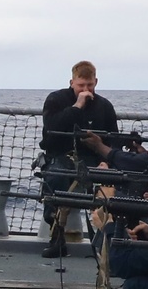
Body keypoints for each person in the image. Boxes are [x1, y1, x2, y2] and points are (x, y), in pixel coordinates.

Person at [39, 61, 118, 257]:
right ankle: (57, 237)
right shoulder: (56, 100)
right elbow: (50, 132)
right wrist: (77, 107)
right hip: (60, 157)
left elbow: (115, 140)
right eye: (81, 85)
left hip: (94, 160)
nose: (85, 90)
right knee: (55, 178)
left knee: (113, 185)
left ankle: (106, 242)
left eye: (89, 85)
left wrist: (107, 161)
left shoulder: (105, 107)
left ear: (96, 82)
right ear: (71, 82)